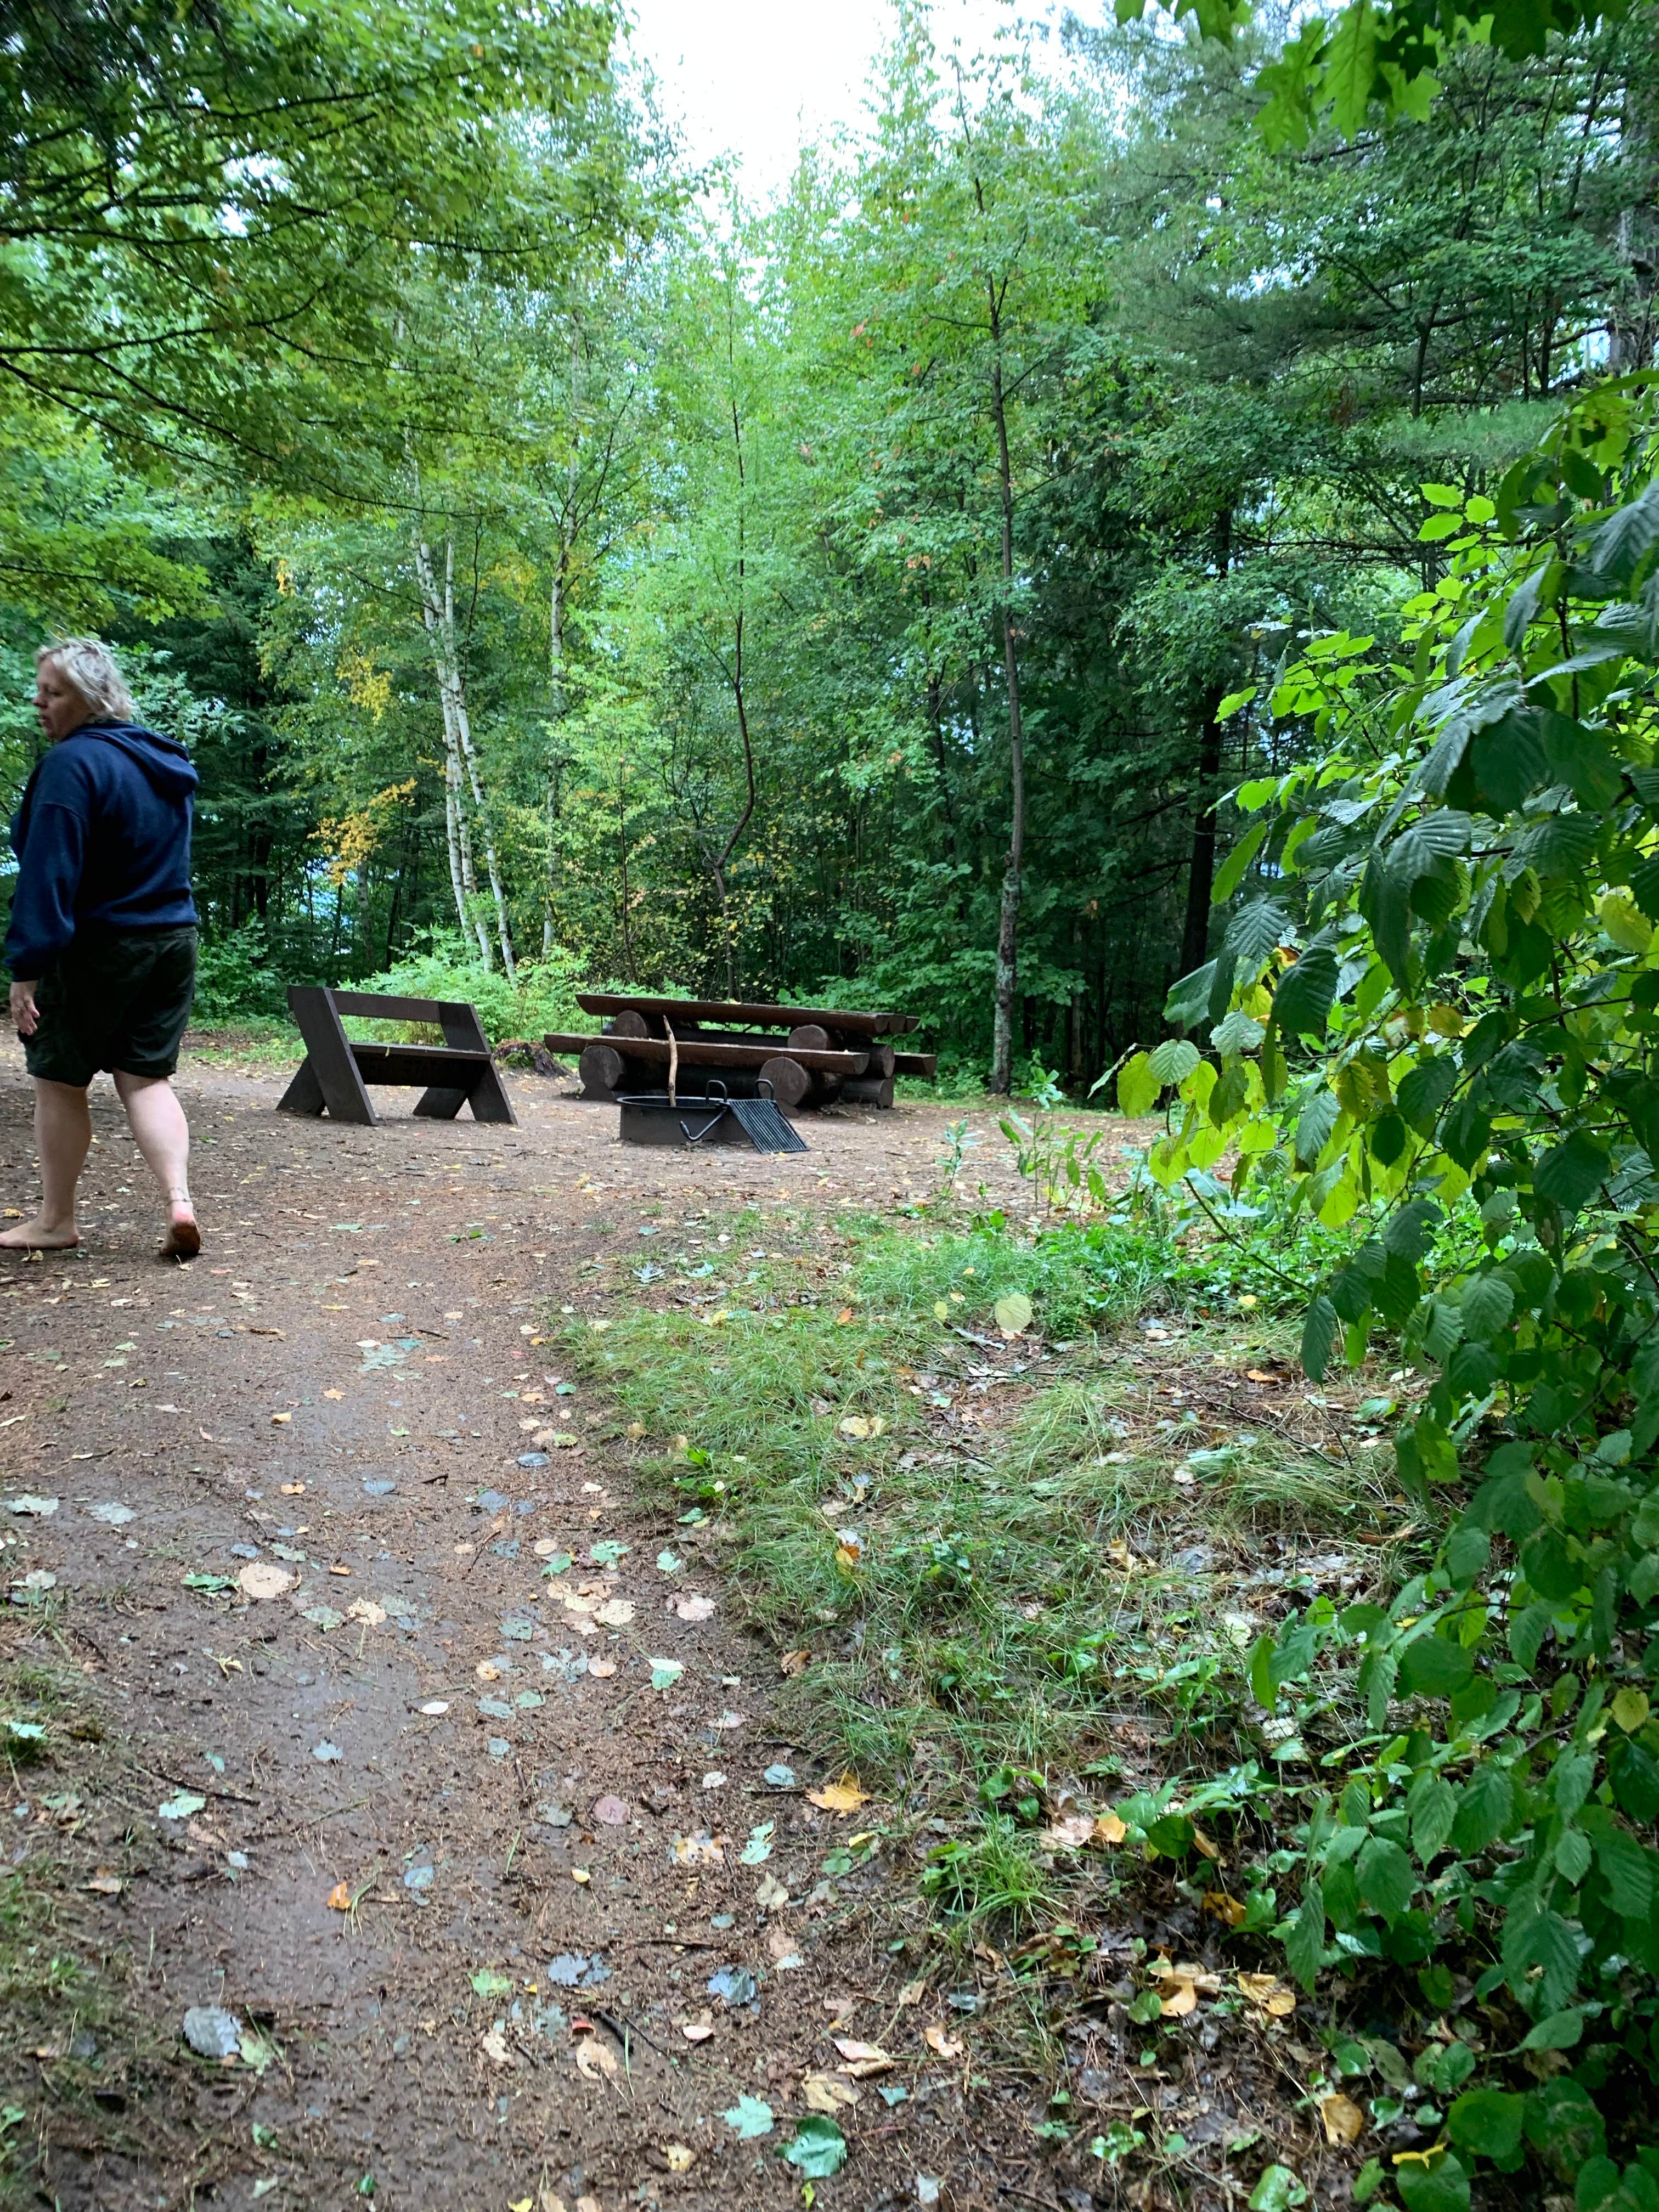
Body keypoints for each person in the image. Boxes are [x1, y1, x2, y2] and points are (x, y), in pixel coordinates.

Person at [3, 639, 201, 1258]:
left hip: (99, 946)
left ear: (89, 698)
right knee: (145, 1080)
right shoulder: (160, 762)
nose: (39, 703)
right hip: (172, 938)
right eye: (40, 690)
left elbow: (48, 871)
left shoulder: (72, 764)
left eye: (53, 692)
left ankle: (57, 1219)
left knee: (59, 1080)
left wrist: (27, 968)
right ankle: (179, 1201)